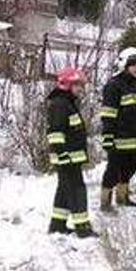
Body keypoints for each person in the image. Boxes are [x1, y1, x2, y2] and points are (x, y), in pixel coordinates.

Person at [46, 67, 94, 237]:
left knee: (65, 189)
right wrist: (63, 154)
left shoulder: (67, 103)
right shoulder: (61, 104)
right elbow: (55, 133)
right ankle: (83, 228)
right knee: (77, 189)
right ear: (67, 85)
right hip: (67, 157)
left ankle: (57, 224)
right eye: (77, 85)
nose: (80, 88)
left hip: (70, 157)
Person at [100, 47, 136, 211]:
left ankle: (122, 196)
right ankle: (105, 201)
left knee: (130, 168)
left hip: (134, 137)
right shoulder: (113, 86)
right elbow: (108, 114)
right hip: (119, 138)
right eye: (133, 65)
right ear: (124, 65)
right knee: (113, 170)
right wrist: (108, 136)